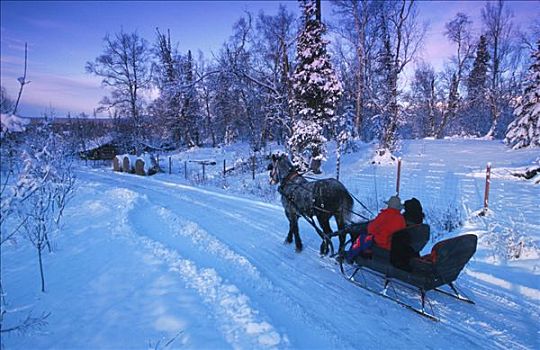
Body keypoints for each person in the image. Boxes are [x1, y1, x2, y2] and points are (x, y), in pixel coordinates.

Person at [343, 195, 406, 263]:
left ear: (389, 205)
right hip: (394, 244)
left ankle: (350, 256)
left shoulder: (384, 215)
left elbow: (370, 229)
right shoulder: (401, 218)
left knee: (362, 238)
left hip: (383, 242)